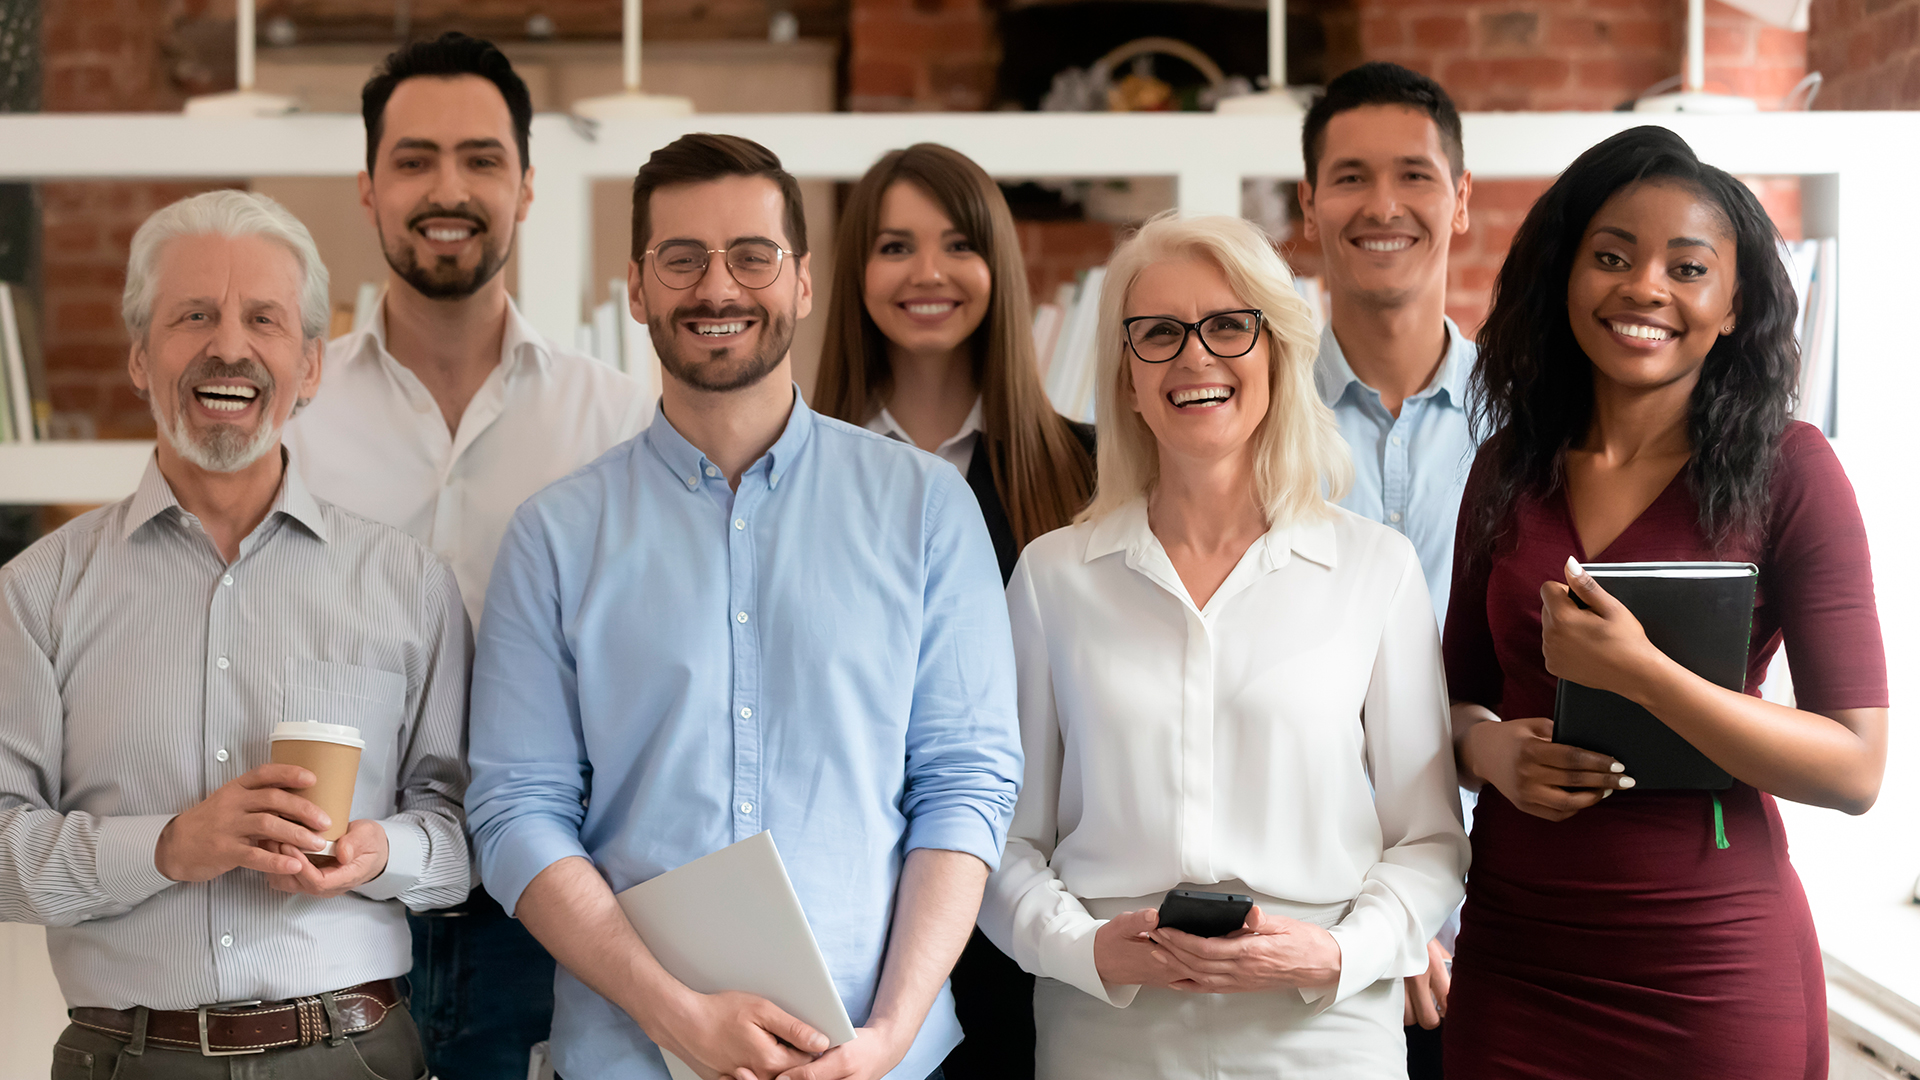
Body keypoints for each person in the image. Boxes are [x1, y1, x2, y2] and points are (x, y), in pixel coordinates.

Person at [465, 133, 1023, 1080]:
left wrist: (885, 1039)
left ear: (803, 282)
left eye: (752, 256)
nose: (717, 289)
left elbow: (965, 784)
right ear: (637, 289)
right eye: (680, 259)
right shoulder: (553, 536)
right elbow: (516, 812)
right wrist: (674, 1014)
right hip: (628, 1059)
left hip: (881, 1062)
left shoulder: (927, 507)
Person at [979, 212, 1469, 1079]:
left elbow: (1429, 842)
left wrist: (1336, 954)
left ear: (1277, 355)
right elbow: (1001, 843)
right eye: (1159, 333)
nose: (1195, 357)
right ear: (1126, 378)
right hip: (1108, 1036)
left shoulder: (1375, 571)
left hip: (1321, 1036)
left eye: (1229, 325)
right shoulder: (1052, 579)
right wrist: (1085, 949)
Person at [1442, 126, 1888, 1078]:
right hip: (1518, 962)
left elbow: (1855, 769)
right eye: (1611, 256)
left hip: (1712, 968)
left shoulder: (1793, 472)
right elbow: (1453, 700)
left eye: (1688, 268)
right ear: (1565, 278)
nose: (1644, 287)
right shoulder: (1506, 469)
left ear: (1733, 307)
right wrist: (1486, 748)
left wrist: (1643, 677)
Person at [0, 190, 470, 1078]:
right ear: (141, 357)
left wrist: (382, 853)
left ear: (311, 365)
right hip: (127, 1058)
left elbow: (463, 838)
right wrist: (167, 847)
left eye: (264, 319)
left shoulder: (408, 585)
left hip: (353, 1055)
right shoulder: (37, 593)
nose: (230, 346)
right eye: (193, 317)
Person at [283, 33, 649, 1078]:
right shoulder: (296, 425)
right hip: (334, 905)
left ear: (528, 186)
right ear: (368, 188)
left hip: (549, 906)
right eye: (415, 159)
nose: (449, 188)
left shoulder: (616, 421)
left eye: (482, 158)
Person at [812, 142, 1096, 1079]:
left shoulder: (1089, 475)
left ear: (999, 268)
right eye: (895, 246)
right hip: (849, 925)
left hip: (1041, 915)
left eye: (956, 245)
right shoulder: (792, 481)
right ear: (852, 272)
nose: (927, 273)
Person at [1297, 61, 1477, 1072]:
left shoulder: (1536, 430)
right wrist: (1387, 915)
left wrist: (1435, 911)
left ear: (1460, 202)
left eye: (1414, 175)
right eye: (1351, 176)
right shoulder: (1247, 429)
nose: (1382, 205)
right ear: (1309, 207)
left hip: (1518, 907)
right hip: (1315, 905)